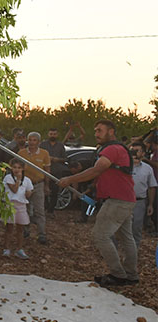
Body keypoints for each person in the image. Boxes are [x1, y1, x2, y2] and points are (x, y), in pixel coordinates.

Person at [58, 120, 138, 287]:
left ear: (111, 132)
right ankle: (131, 275)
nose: (96, 133)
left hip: (117, 201)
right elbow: (104, 175)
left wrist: (70, 179)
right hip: (125, 199)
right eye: (95, 130)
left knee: (100, 236)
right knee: (126, 238)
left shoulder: (112, 149)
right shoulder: (115, 149)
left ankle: (118, 275)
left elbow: (97, 169)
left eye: (100, 130)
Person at [18, 132, 50, 244]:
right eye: (30, 140)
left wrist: (46, 185)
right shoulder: (21, 153)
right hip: (25, 185)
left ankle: (41, 234)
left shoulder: (44, 153)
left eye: (34, 140)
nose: (31, 142)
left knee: (39, 210)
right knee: (24, 209)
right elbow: (17, 169)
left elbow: (47, 171)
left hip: (38, 184)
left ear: (38, 142)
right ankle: (25, 231)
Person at [2, 159, 33, 259]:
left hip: (21, 205)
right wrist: (18, 180)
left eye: (19, 168)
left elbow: (29, 192)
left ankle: (19, 249)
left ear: (23, 169)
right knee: (9, 228)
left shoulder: (27, 180)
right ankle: (6, 248)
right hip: (10, 205)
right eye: (14, 167)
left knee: (20, 228)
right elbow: (14, 190)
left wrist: (29, 193)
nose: (16, 170)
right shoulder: (8, 178)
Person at [129, 142, 156, 247]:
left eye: (137, 150)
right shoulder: (123, 166)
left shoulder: (147, 169)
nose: (134, 153)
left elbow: (151, 186)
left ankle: (134, 250)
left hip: (139, 202)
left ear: (143, 153)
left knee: (136, 227)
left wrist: (150, 204)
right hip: (123, 201)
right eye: (132, 150)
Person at [40, 128, 67, 214]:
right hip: (44, 170)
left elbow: (65, 159)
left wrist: (56, 159)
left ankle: (51, 210)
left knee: (55, 192)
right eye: (51, 134)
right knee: (43, 191)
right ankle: (45, 208)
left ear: (57, 135)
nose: (53, 136)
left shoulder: (60, 145)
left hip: (56, 171)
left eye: (54, 134)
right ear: (48, 134)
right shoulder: (43, 145)